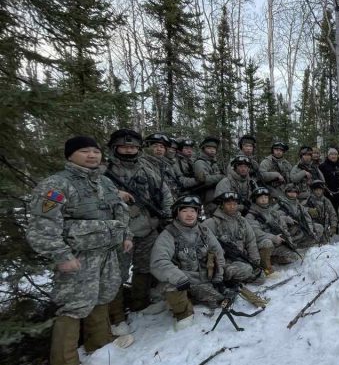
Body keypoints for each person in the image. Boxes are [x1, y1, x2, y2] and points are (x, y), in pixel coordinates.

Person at [27, 136, 134, 365]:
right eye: (84, 151)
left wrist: (125, 235)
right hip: (78, 255)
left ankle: (100, 341)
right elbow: (42, 225)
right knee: (74, 305)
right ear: (70, 155)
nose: (92, 156)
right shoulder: (55, 186)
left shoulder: (104, 183)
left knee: (102, 295)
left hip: (106, 251)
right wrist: (60, 255)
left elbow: (120, 210)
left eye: (95, 151)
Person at [105, 129, 172, 316]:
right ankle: (116, 316)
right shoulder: (104, 171)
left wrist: (167, 213)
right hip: (120, 232)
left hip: (148, 228)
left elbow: (164, 191)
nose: (128, 150)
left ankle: (140, 304)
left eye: (133, 147)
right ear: (114, 147)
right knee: (117, 274)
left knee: (145, 267)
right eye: (124, 147)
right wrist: (115, 194)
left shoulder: (146, 168)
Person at [150, 195, 226, 330]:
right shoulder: (168, 234)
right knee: (171, 286)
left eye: (193, 211)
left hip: (205, 278)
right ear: (177, 213)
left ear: (198, 213)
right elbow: (158, 262)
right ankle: (183, 313)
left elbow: (218, 252)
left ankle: (190, 298)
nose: (189, 215)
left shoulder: (203, 230)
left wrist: (218, 276)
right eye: (184, 211)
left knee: (220, 299)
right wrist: (178, 278)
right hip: (184, 280)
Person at [202, 191, 262, 286]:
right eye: (228, 204)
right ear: (222, 205)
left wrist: (255, 261)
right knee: (247, 270)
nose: (232, 206)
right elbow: (203, 246)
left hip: (239, 257)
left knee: (260, 277)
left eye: (235, 204)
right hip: (222, 263)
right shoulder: (210, 223)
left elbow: (251, 241)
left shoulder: (242, 221)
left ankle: (235, 279)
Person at [245, 187, 301, 273]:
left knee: (293, 257)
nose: (264, 200)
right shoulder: (251, 216)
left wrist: (286, 219)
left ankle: (271, 259)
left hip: (276, 243)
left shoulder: (271, 211)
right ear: (255, 199)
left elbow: (280, 220)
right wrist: (273, 237)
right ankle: (266, 267)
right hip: (260, 245)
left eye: (265, 197)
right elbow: (256, 233)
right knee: (268, 242)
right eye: (261, 198)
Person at [275, 184, 320, 248]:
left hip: (298, 228)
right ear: (286, 192)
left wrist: (311, 231)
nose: (292, 193)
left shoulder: (298, 204)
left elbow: (307, 218)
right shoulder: (280, 204)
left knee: (318, 228)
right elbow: (276, 219)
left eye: (294, 192)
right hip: (287, 230)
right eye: (290, 191)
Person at [194, 136, 226, 216]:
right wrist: (221, 177)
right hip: (206, 198)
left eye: (214, 148)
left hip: (216, 196)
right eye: (209, 148)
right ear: (203, 149)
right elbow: (204, 180)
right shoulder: (200, 163)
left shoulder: (214, 163)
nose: (212, 150)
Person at [143, 132, 179, 198]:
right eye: (155, 146)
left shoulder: (166, 165)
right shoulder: (142, 163)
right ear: (148, 148)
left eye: (162, 147)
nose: (159, 149)